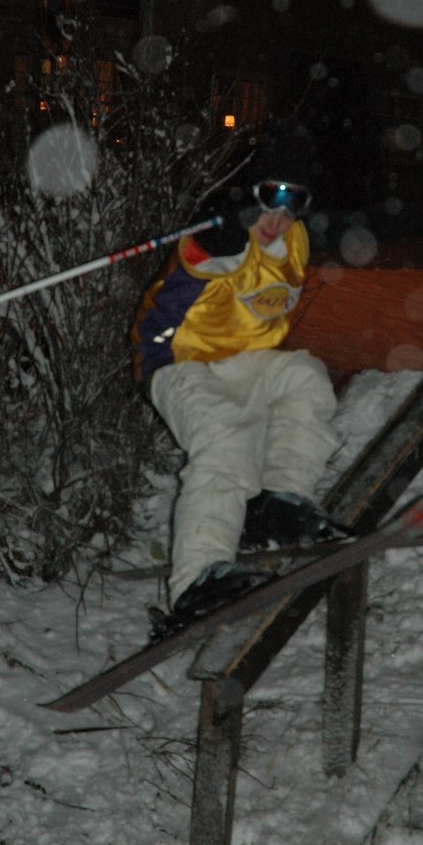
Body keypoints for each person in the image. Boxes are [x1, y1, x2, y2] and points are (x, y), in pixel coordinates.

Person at [132, 158, 346, 635]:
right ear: (251, 196)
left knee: (305, 376)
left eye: (295, 205)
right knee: (226, 437)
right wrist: (210, 238)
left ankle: (277, 501)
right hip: (180, 362)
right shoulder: (222, 237)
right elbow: (195, 260)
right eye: (270, 199)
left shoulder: (295, 242)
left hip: (246, 361)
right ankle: (196, 578)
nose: (278, 219)